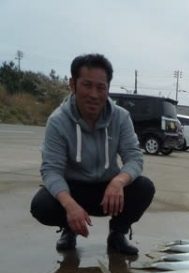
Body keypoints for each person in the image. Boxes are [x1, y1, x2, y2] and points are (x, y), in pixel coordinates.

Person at [31, 53, 155, 255]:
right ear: (73, 85)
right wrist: (69, 205)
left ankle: (117, 234)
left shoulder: (121, 117)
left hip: (108, 192)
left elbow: (134, 157)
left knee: (144, 187)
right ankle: (69, 229)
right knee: (41, 205)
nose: (94, 94)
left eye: (101, 87)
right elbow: (51, 170)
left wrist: (119, 182)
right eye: (87, 85)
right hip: (74, 189)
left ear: (108, 88)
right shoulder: (58, 121)